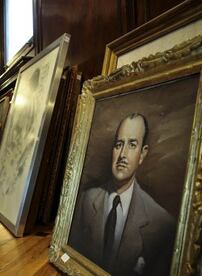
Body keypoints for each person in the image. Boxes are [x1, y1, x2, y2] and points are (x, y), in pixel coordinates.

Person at [69, 113, 176, 276]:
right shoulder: (86, 199)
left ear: (142, 154)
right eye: (119, 144)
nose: (122, 155)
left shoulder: (162, 223)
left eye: (132, 145)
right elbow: (67, 257)